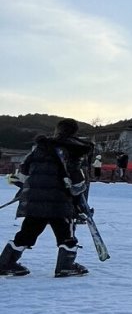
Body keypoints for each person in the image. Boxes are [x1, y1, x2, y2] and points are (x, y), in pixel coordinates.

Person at [0, 118, 94, 278]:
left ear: (57, 130)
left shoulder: (39, 148)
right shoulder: (72, 149)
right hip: (60, 204)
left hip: (34, 202)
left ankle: (6, 263)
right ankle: (66, 266)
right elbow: (77, 183)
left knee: (27, 232)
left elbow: (22, 175)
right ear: (74, 132)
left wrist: (28, 188)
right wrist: (80, 199)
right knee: (66, 235)